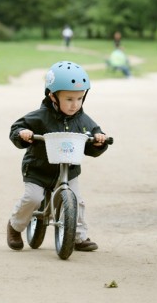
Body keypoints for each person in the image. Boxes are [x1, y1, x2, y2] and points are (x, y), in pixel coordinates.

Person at [7, 61, 110, 251]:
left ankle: (78, 237)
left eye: (80, 98)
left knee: (77, 200)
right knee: (33, 198)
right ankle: (15, 226)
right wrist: (23, 133)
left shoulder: (83, 120)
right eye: (69, 99)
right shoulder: (39, 117)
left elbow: (94, 136)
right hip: (39, 169)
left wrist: (98, 140)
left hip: (68, 170)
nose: (75, 104)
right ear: (52, 96)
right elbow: (17, 127)